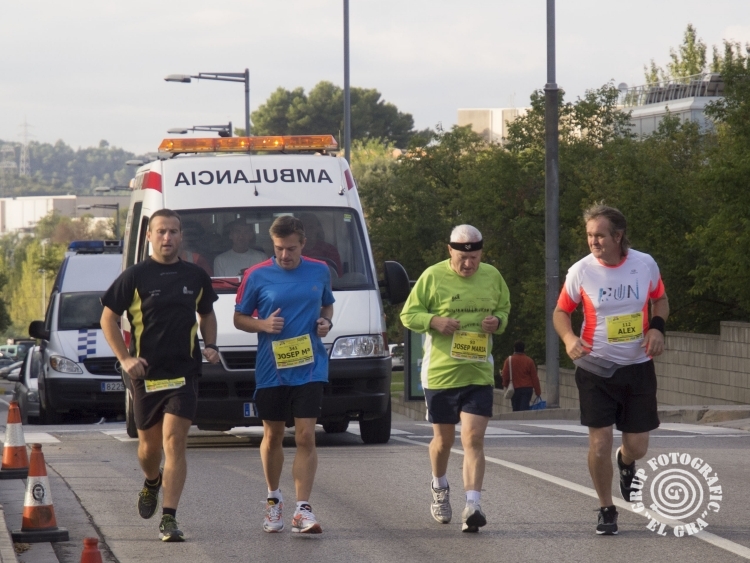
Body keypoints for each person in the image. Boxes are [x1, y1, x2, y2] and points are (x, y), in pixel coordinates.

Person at [100, 209, 220, 542]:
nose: (168, 237)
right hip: (146, 374)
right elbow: (108, 319)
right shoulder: (134, 276)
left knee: (175, 442)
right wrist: (125, 359)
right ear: (150, 236)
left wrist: (211, 345)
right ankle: (152, 480)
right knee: (149, 448)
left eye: (173, 232)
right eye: (161, 231)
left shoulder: (195, 275)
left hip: (184, 373)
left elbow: (207, 314)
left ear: (181, 236)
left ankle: (169, 517)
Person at [553, 204, 668, 536]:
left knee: (638, 446)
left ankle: (626, 461)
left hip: (637, 366)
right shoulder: (581, 271)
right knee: (600, 442)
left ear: (618, 236)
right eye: (589, 235)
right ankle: (606, 508)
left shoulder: (644, 264)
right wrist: (568, 338)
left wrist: (656, 328)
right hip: (595, 368)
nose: (593, 241)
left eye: (600, 235)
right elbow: (561, 312)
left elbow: (660, 299)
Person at [400, 224, 510, 533]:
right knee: (444, 441)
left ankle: (473, 505)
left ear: (481, 253)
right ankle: (439, 486)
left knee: (473, 438)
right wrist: (434, 321)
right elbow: (408, 315)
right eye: (463, 258)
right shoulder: (432, 276)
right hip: (441, 374)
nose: (469, 264)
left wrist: (497, 321)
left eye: (474, 258)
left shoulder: (493, 276)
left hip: (478, 371)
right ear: (450, 251)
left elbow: (504, 309)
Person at [233, 215, 334, 534]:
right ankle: (273, 500)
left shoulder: (319, 270)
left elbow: (327, 306)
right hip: (272, 369)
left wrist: (326, 322)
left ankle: (302, 509)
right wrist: (262, 325)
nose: (284, 255)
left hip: (310, 367)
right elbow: (239, 318)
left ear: (303, 244)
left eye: (291, 248)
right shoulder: (257, 275)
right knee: (273, 435)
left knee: (305, 436)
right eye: (278, 249)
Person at [500, 341, 541, 411]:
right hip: (527, 389)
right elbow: (534, 377)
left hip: (515, 389)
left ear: (514, 349)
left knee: (516, 408)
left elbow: (505, 375)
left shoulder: (509, 360)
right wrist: (538, 391)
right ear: (524, 349)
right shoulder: (529, 361)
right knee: (524, 408)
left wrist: (505, 384)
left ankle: (517, 418)